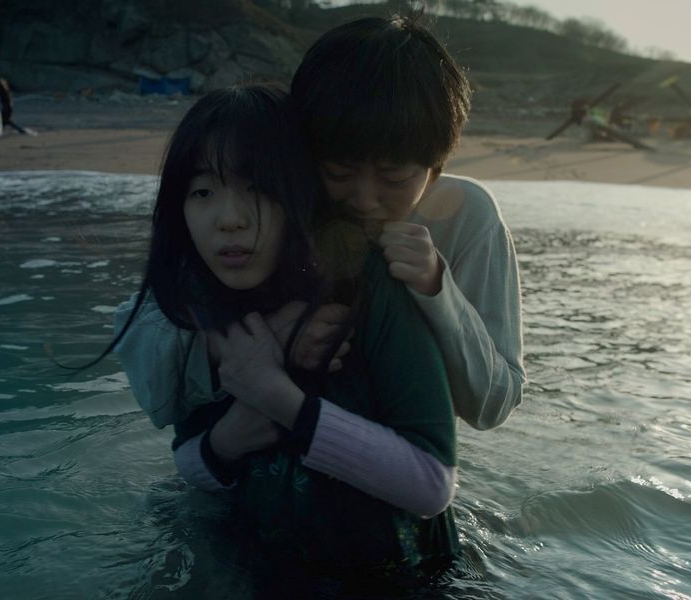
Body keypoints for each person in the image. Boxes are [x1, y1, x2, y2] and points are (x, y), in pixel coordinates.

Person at [111, 83, 460, 579]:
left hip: (403, 574)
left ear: (301, 194)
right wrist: (226, 441)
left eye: (259, 188)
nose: (229, 220)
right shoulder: (198, 302)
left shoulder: (370, 286)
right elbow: (189, 463)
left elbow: (432, 485)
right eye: (203, 192)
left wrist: (277, 399)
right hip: (265, 568)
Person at [114, 14, 524, 432]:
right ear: (305, 153)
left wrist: (438, 288)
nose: (364, 199)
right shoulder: (275, 200)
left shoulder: (466, 216)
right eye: (339, 172)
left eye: (394, 179)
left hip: (395, 459)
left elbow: (493, 406)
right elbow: (148, 364)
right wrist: (264, 340)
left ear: (435, 171)